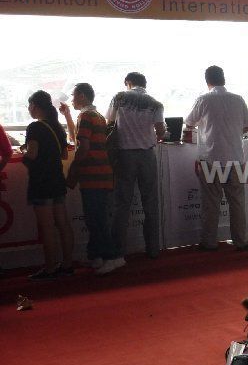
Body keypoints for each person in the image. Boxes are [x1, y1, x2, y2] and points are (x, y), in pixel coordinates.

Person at [185, 66, 248, 251]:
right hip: (235, 159)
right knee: (237, 203)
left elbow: (189, 122)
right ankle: (241, 241)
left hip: (210, 158)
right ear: (224, 79)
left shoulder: (203, 99)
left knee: (210, 203)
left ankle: (209, 242)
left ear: (207, 80)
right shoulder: (238, 99)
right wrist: (232, 132)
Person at [106, 72, 166, 269]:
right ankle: (153, 249)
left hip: (124, 155)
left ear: (128, 83)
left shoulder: (119, 98)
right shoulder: (155, 103)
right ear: (145, 84)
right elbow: (160, 131)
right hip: (147, 155)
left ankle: (118, 252)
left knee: (122, 204)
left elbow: (109, 121)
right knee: (150, 203)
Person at [58, 83, 115, 271]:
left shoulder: (86, 117)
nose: (72, 99)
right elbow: (77, 138)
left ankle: (108, 257)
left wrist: (73, 171)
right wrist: (67, 116)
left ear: (82, 96)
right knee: (96, 218)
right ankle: (97, 256)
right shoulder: (96, 116)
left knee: (96, 220)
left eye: (74, 95)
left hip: (93, 175)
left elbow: (82, 148)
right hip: (101, 174)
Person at [21, 91, 74, 280]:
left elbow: (32, 154)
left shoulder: (35, 127)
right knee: (63, 223)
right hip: (57, 179)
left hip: (41, 182)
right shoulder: (56, 126)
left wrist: (24, 151)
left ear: (34, 106)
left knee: (47, 227)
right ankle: (67, 265)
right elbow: (64, 155)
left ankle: (50, 268)